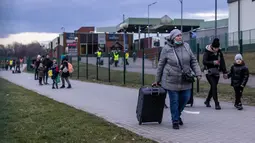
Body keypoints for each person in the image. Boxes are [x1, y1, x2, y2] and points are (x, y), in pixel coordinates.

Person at [154, 29, 202, 130]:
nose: (180, 37)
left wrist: (198, 73)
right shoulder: (166, 49)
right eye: (177, 36)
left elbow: (193, 60)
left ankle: (177, 115)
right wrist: (157, 79)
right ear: (172, 38)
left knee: (185, 99)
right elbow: (161, 65)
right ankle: (175, 120)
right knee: (174, 101)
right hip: (171, 80)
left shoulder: (186, 46)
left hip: (185, 79)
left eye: (180, 35)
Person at [203, 38, 228, 110]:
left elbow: (222, 62)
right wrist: (213, 62)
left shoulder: (219, 52)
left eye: (217, 48)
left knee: (213, 87)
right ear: (212, 46)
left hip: (216, 72)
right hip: (208, 72)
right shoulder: (207, 51)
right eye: (215, 48)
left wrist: (224, 72)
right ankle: (217, 103)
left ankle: (207, 101)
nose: (216, 49)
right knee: (214, 86)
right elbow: (204, 61)